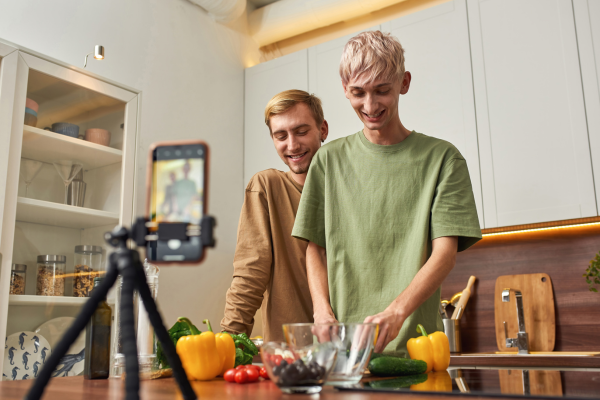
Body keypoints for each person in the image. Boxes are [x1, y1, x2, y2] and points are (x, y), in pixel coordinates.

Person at [292, 31, 482, 356]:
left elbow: (444, 254)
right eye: (358, 93)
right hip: (343, 352)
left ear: (403, 83)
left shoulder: (443, 159)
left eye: (382, 90)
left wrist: (396, 312)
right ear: (344, 89)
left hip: (416, 350)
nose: (370, 105)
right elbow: (315, 247)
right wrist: (321, 310)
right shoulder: (327, 160)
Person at [221, 90, 329, 342]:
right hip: (289, 352)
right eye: (281, 136)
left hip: (353, 348)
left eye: (301, 131)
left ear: (323, 129)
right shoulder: (266, 186)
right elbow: (251, 270)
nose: (292, 145)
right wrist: (228, 340)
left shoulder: (349, 187)